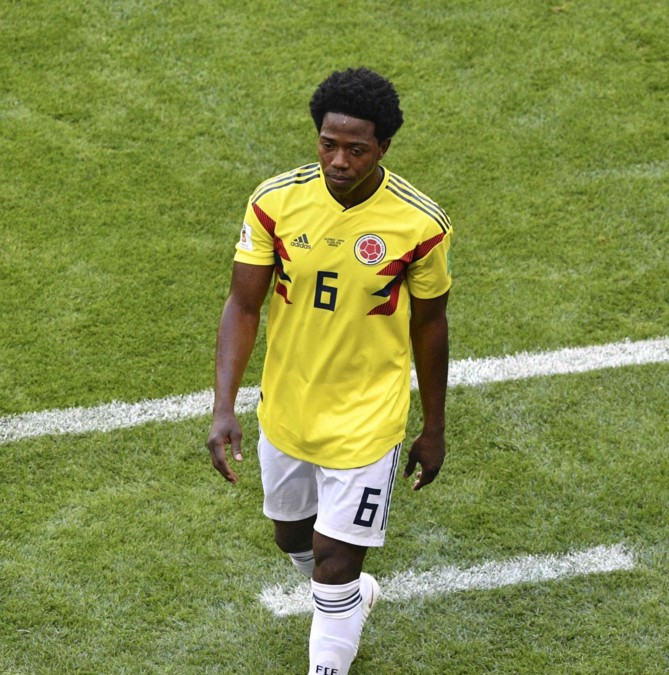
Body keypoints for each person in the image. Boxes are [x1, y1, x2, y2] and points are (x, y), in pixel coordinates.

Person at [205, 67, 453, 675]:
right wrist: (223, 406)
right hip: (288, 409)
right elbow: (243, 305)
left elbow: (430, 326)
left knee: (336, 560)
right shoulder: (275, 202)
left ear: (384, 147)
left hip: (368, 418)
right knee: (293, 539)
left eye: (356, 149)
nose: (339, 160)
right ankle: (347, 600)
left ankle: (331, 645)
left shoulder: (420, 224)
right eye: (328, 144)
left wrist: (434, 427)